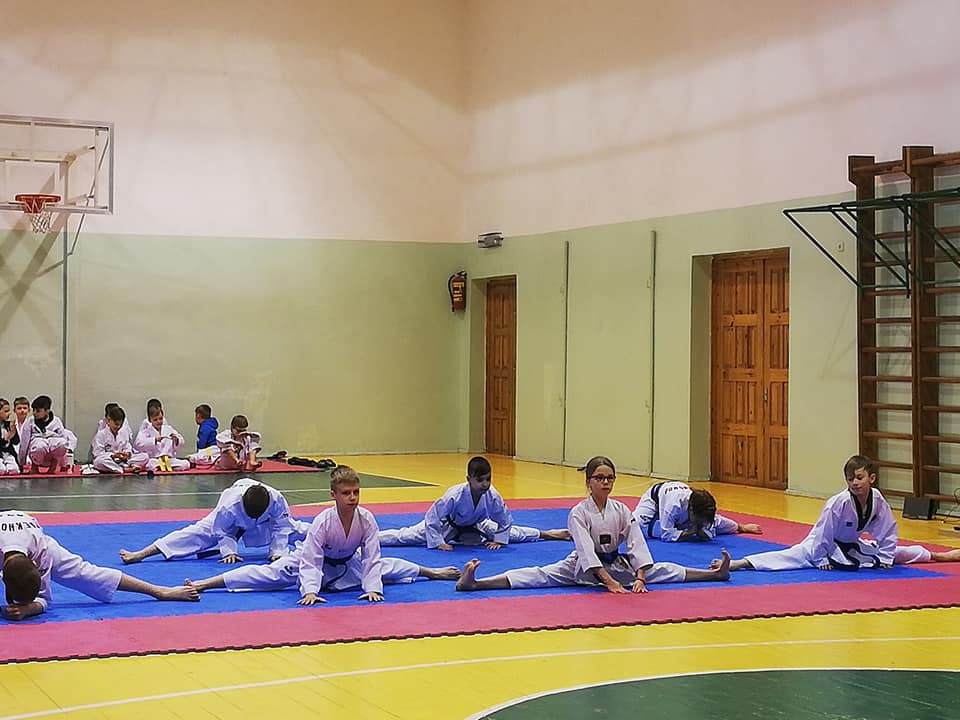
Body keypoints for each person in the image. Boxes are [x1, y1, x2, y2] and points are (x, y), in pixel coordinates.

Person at [456, 455, 731, 593]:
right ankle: (476, 584)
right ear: (588, 481)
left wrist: (639, 577)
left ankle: (714, 575)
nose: (605, 482)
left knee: (662, 570)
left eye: (610, 478)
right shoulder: (578, 513)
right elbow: (587, 553)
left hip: (616, 563)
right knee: (538, 575)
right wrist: (611, 583)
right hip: (583, 566)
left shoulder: (621, 509)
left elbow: (637, 544)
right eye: (599, 478)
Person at [185, 465, 460, 603]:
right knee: (266, 575)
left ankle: (432, 572)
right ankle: (205, 583)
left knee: (388, 567)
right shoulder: (322, 522)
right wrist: (310, 591)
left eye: (356, 492)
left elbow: (372, 558)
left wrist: (373, 589)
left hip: (346, 564)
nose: (352, 498)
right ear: (333, 495)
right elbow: (312, 560)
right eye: (346, 493)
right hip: (308, 562)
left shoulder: (366, 519)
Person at [716, 454, 960, 572]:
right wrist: (820, 558)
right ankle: (739, 563)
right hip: (821, 545)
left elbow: (887, 530)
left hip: (851, 545)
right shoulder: (839, 503)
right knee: (790, 557)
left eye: (860, 478)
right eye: (850, 479)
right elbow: (824, 532)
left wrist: (886, 556)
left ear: (872, 478)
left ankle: (941, 556)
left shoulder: (877, 500)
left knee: (896, 553)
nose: (855, 483)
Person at [0, 509, 198, 621]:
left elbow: (44, 599)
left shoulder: (42, 552)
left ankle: (160, 591)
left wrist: (30, 608)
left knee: (86, 574)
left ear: (34, 564)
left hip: (32, 538)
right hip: (14, 539)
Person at [378, 456, 570, 550]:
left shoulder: (492, 495)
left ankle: (548, 534)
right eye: (480, 480)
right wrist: (438, 542)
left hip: (477, 524)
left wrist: (498, 540)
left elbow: (504, 520)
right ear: (468, 479)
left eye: (488, 479)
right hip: (447, 526)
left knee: (512, 534)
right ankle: (369, 539)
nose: (485, 484)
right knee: (407, 536)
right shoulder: (454, 495)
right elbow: (432, 517)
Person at [119, 477, 307, 564]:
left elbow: (282, 528)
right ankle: (141, 554)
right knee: (195, 533)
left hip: (266, 521)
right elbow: (222, 532)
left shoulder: (276, 499)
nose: (252, 520)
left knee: (295, 530)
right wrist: (229, 552)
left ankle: (324, 538)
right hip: (229, 519)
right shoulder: (229, 505)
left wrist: (278, 552)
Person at [633, 480, 762, 541]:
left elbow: (718, 521)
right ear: (691, 511)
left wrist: (741, 527)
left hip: (684, 503)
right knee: (634, 525)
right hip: (654, 498)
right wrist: (691, 532)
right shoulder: (673, 506)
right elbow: (666, 535)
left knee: (707, 527)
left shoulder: (701, 507)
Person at [17, 395, 75, 474]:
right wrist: (21, 463)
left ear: (47, 411)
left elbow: (64, 442)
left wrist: (65, 464)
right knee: (39, 445)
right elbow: (24, 444)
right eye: (33, 410)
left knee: (62, 443)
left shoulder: (56, 421)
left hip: (52, 457)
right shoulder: (30, 422)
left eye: (38, 411)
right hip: (37, 454)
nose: (34, 413)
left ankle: (53, 467)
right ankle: (35, 467)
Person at [91, 405, 148, 474]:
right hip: (110, 461)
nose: (118, 427)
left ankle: (127, 466)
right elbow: (98, 454)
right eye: (116, 424)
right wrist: (113, 455)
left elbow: (127, 446)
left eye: (120, 425)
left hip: (123, 460)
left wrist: (127, 453)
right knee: (98, 462)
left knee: (145, 456)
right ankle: (124, 469)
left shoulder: (123, 433)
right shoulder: (101, 435)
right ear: (109, 420)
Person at [134, 404, 190, 472]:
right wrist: (154, 440)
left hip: (168, 459)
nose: (158, 421)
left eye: (160, 419)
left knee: (186, 464)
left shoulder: (168, 429)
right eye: (155, 420)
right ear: (150, 420)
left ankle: (164, 466)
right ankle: (163, 466)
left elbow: (181, 440)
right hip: (155, 459)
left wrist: (176, 439)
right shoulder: (146, 431)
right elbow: (137, 444)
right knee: (149, 465)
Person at [0, 399, 20, 475]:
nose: (9, 413)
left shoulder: (8, 424)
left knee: (14, 471)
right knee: (1, 471)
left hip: (8, 453)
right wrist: (6, 438)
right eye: (6, 411)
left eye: (9, 411)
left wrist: (13, 432)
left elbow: (16, 442)